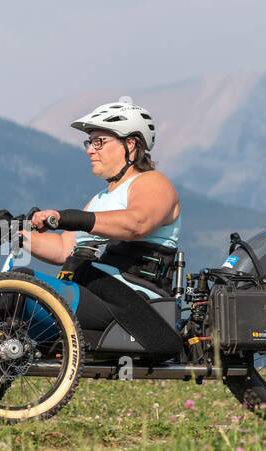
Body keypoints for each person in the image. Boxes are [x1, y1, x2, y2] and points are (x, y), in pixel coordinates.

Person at [21, 102, 184, 352]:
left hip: (132, 303)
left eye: (99, 142)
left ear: (130, 144)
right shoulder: (99, 199)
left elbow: (137, 223)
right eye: (89, 142)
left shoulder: (152, 183)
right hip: (92, 291)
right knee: (0, 294)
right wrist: (14, 234)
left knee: (21, 286)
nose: (90, 150)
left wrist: (70, 218)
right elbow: (65, 248)